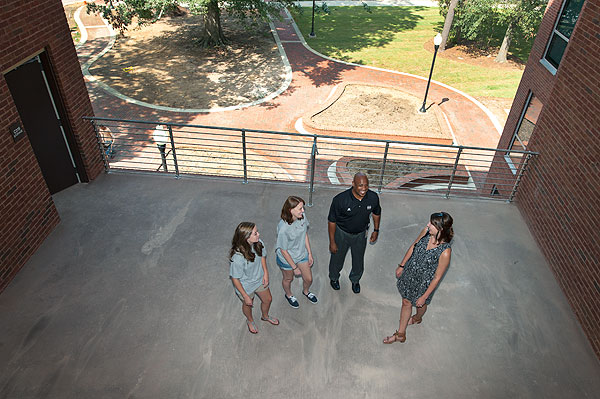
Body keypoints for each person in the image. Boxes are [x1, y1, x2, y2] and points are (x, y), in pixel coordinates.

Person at [383, 212, 453, 344]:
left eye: (432, 224)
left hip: (424, 283)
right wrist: (402, 265)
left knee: (421, 304)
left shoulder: (445, 251)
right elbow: (413, 247)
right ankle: (400, 334)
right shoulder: (426, 232)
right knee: (406, 302)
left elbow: (437, 277)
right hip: (410, 273)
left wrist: (424, 296)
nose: (428, 225)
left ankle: (417, 318)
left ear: (441, 229)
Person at [328, 172, 381, 294]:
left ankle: (355, 280)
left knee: (358, 260)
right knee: (337, 259)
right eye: (360, 185)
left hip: (361, 234)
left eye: (366, 185)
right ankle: (334, 278)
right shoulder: (340, 200)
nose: (364, 189)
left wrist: (376, 230)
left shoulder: (373, 197)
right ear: (353, 184)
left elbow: (376, 213)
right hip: (342, 233)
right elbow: (331, 221)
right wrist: (332, 242)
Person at [229, 222, 279, 334]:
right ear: (246, 238)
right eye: (255, 233)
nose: (259, 234)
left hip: (259, 279)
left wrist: (265, 273)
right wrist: (245, 295)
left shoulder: (258, 242)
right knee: (248, 304)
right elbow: (235, 279)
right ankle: (250, 320)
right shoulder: (237, 258)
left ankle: (265, 316)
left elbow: (262, 257)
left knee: (268, 299)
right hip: (245, 286)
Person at [275, 196, 317, 308]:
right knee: (288, 279)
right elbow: (283, 250)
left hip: (300, 253)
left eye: (302, 208)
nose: (303, 211)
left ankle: (306, 291)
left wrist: (309, 253)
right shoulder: (283, 229)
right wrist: (294, 267)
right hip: (287, 259)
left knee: (308, 278)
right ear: (290, 210)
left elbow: (304, 234)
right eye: (300, 208)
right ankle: (289, 295)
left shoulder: (301, 217)